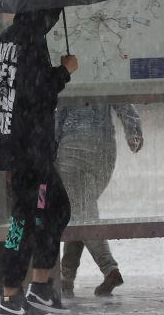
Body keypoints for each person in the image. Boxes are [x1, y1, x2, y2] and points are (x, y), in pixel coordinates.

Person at [0, 9, 78, 315]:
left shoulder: (6, 40)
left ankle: (38, 288)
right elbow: (37, 91)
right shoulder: (32, 39)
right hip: (31, 149)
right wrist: (64, 71)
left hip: (12, 145)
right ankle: (11, 297)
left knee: (53, 210)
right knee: (24, 221)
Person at [57, 104, 144, 298]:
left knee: (81, 211)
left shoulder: (63, 74)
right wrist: (133, 132)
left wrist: (49, 150)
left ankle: (109, 269)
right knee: (80, 210)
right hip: (104, 149)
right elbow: (123, 102)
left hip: (72, 146)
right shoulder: (103, 74)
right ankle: (66, 278)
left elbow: (59, 113)